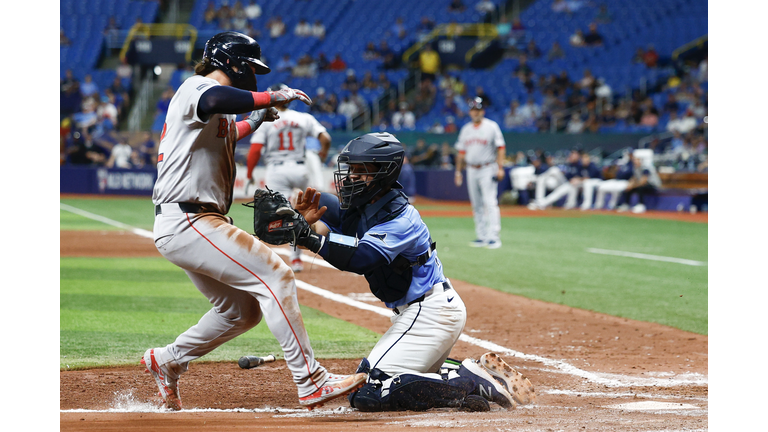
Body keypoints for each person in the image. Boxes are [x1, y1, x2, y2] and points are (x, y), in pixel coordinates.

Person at [144, 31, 365, 412]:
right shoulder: (197, 87)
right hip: (190, 219)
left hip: (191, 220)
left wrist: (257, 118)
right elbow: (215, 98)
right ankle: (311, 381)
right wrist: (271, 97)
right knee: (278, 275)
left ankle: (167, 360)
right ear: (231, 63)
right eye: (250, 67)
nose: (254, 76)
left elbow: (230, 131)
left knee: (241, 313)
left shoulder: (212, 110)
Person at [290, 133, 535, 413]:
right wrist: (297, 222)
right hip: (421, 313)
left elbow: (361, 258)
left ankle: (465, 379)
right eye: (351, 169)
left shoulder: (400, 218)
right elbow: (326, 218)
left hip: (430, 315)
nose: (351, 177)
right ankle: (467, 372)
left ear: (383, 174)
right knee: (372, 381)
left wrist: (311, 239)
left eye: (361, 170)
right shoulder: (366, 207)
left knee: (369, 391)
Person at [247, 83, 332, 272]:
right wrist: (323, 155)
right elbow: (325, 138)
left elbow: (255, 150)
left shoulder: (265, 119)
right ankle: (297, 258)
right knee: (300, 212)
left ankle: (278, 259)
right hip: (301, 168)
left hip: (277, 170)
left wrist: (249, 173)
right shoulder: (303, 118)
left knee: (275, 215)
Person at [453, 98, 506, 249]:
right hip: (471, 169)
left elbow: (501, 148)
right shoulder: (466, 129)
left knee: (490, 202)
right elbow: (461, 153)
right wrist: (458, 172)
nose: (475, 112)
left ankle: (494, 237)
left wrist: (500, 167)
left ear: (483, 111)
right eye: (473, 110)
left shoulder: (491, 126)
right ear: (470, 112)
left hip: (487, 167)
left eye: (478, 110)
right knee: (476, 204)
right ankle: (482, 236)